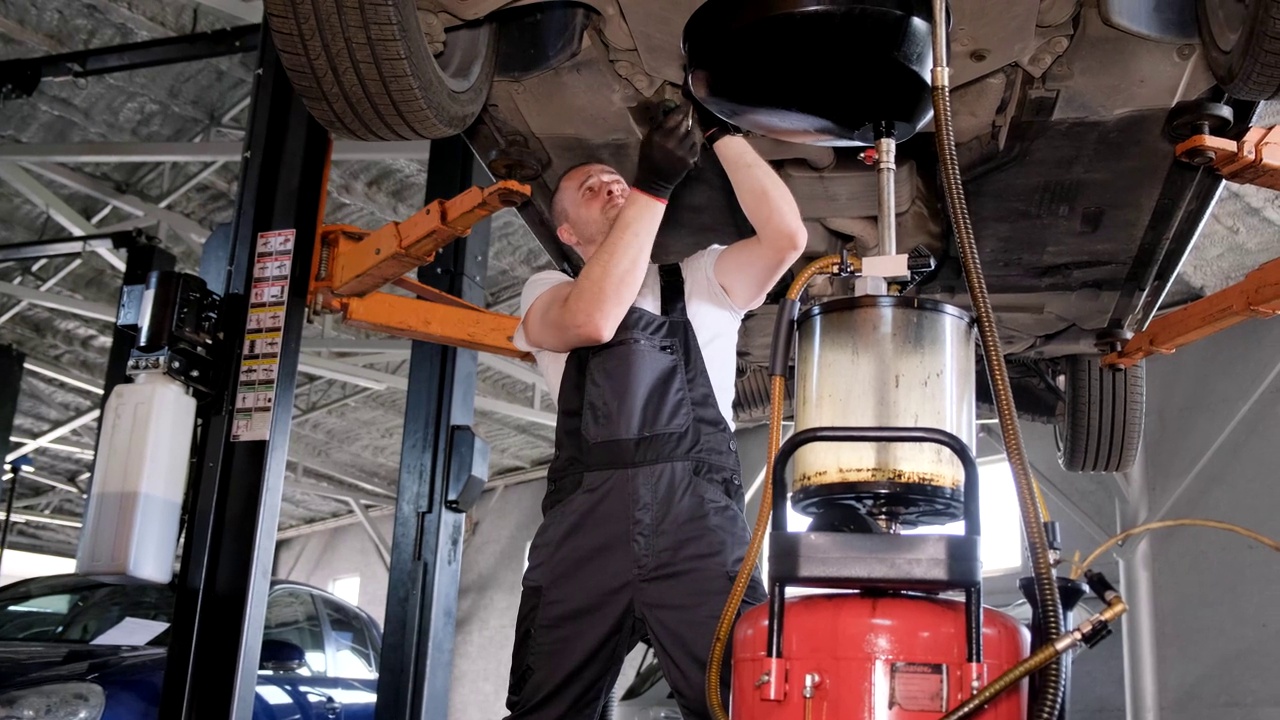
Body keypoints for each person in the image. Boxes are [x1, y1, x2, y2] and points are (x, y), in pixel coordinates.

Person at [504, 100, 808, 720]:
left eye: (614, 178)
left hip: (697, 529)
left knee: (746, 704)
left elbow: (786, 239)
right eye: (587, 189)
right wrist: (651, 184)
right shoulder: (546, 292)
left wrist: (721, 130)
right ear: (566, 234)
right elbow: (594, 318)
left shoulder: (699, 281)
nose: (606, 183)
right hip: (586, 538)